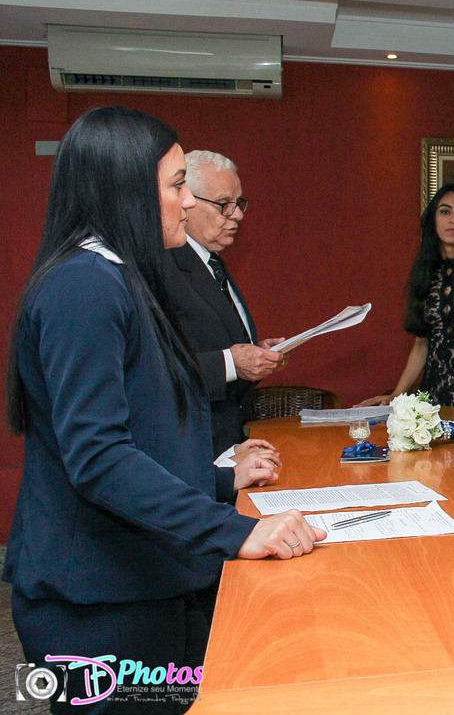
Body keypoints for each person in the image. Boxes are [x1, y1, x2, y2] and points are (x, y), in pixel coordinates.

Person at [4, 106, 323, 714]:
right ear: (124, 189)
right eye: (178, 185)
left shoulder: (120, 280)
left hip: (142, 581)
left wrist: (220, 479)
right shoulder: (83, 286)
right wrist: (239, 531)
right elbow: (99, 458)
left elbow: (146, 432)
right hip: (99, 601)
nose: (188, 202)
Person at [162, 150, 286, 457]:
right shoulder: (163, 265)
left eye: (238, 203)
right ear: (187, 201)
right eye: (224, 204)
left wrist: (255, 354)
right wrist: (231, 362)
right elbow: (156, 368)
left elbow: (213, 339)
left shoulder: (211, 261)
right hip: (191, 445)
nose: (238, 215)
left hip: (229, 440)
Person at [358, 183, 454, 407]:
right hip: (432, 399)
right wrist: (397, 394)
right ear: (433, 219)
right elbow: (422, 344)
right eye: (445, 211)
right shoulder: (427, 267)